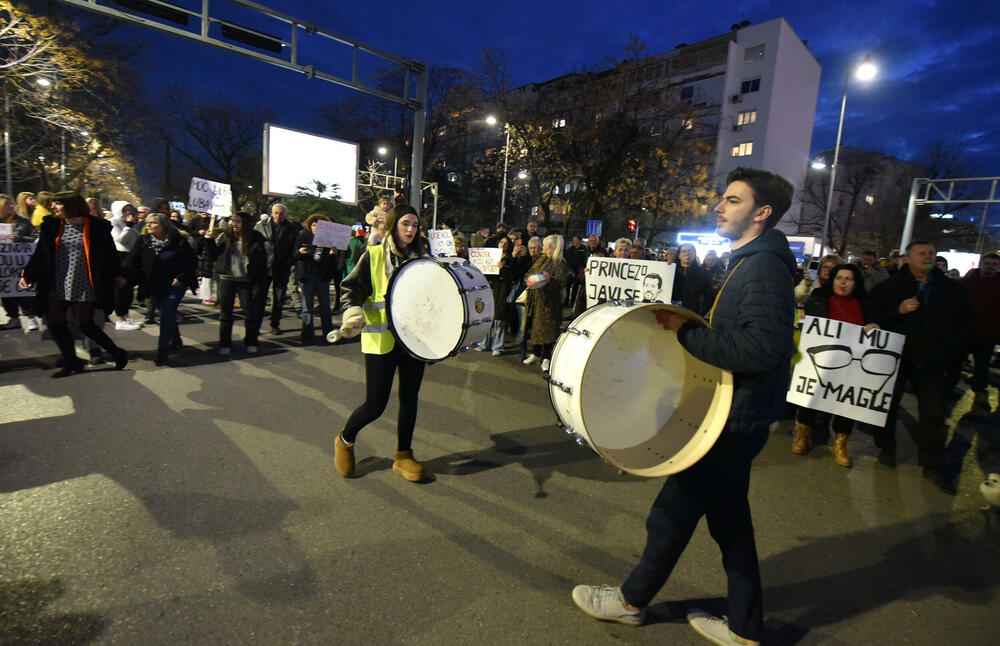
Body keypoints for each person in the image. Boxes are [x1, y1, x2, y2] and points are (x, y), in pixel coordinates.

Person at [572, 167, 797, 646]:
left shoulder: (761, 267)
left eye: (733, 201)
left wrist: (687, 334)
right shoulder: (749, 260)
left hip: (733, 421)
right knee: (730, 521)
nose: (719, 206)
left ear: (761, 213)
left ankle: (631, 602)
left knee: (671, 515)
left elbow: (761, 350)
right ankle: (745, 627)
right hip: (737, 415)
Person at [329, 204, 430, 482]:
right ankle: (345, 439)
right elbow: (350, 289)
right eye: (405, 224)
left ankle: (404, 456)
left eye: (415, 225)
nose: (411, 230)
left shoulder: (424, 260)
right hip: (381, 340)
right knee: (375, 404)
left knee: (410, 399)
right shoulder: (373, 255)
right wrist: (353, 313)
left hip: (414, 342)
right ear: (395, 224)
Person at [871, 241, 974, 493]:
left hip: (933, 361)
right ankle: (887, 446)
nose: (927, 257)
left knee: (933, 412)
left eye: (931, 253)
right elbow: (875, 316)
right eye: (921, 253)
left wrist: (953, 353)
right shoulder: (890, 287)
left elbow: (965, 323)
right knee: (888, 406)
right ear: (907, 259)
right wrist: (898, 310)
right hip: (897, 357)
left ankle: (931, 462)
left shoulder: (951, 290)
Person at [19, 192, 129, 377]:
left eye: (57, 204)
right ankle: (72, 362)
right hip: (57, 280)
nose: (53, 207)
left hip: (84, 282)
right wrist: (28, 274)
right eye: (53, 204)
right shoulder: (52, 226)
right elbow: (41, 254)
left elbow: (109, 254)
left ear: (71, 205)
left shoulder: (97, 227)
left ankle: (117, 352)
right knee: (55, 321)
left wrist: (117, 274)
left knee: (85, 323)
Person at [793, 264, 880, 467]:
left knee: (846, 404)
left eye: (848, 279)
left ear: (855, 282)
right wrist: (802, 319)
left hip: (851, 363)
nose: (843, 282)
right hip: (821, 361)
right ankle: (803, 435)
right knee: (811, 397)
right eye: (839, 278)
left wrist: (874, 326)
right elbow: (802, 317)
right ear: (832, 280)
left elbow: (876, 322)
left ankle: (841, 443)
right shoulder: (819, 297)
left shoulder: (865, 303)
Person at [125, 213, 198, 366]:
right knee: (167, 313)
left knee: (165, 313)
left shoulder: (179, 241)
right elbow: (131, 260)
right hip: (154, 285)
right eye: (148, 223)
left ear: (163, 225)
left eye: (153, 223)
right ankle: (176, 339)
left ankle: (162, 350)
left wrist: (182, 277)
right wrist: (121, 275)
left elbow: (191, 262)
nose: (149, 225)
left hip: (176, 285)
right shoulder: (144, 241)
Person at [208, 211, 267, 355]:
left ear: (245, 223)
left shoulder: (256, 238)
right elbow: (214, 255)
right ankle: (225, 344)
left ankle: (251, 341)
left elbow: (261, 261)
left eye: (238, 221)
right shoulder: (226, 236)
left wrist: (259, 282)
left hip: (246, 280)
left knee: (250, 313)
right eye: (233, 220)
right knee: (225, 314)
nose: (234, 224)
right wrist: (208, 240)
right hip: (227, 279)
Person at [523, 234, 567, 372]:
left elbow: (560, 282)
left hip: (549, 303)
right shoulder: (542, 259)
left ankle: (546, 357)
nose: (543, 247)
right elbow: (529, 273)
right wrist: (530, 280)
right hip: (536, 300)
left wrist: (548, 282)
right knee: (536, 328)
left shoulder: (559, 262)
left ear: (552, 247)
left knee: (548, 330)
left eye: (546, 245)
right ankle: (536, 354)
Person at [962, 253, 1000, 409]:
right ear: (981, 264)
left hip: (987, 332)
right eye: (988, 263)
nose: (990, 267)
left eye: (994, 264)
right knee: (956, 362)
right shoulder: (968, 283)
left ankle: (979, 392)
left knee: (982, 365)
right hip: (966, 330)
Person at [295, 214, 340, 344]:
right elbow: (294, 254)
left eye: (319, 225)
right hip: (307, 275)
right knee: (307, 307)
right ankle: (307, 334)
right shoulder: (303, 235)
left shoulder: (329, 238)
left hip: (322, 276)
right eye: (314, 225)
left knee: (325, 306)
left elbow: (334, 261)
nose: (316, 228)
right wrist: (300, 252)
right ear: (310, 226)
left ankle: (328, 332)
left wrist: (332, 254)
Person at [255, 203, 298, 335]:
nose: (278, 216)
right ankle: (255, 326)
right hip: (264, 267)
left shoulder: (291, 228)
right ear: (272, 213)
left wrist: (290, 262)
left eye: (281, 213)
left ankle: (275, 324)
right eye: (276, 213)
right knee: (260, 298)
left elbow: (295, 248)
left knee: (279, 299)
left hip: (282, 267)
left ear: (285, 215)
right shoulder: (261, 226)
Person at [0, 194, 38, 331]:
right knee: (6, 290)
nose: (12, 206)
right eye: (7, 204)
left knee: (23, 289)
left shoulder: (22, 221)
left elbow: (35, 237)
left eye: (11, 203)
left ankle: (31, 317)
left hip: (20, 264)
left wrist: (20, 237)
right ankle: (13, 318)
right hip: (3, 267)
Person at [108, 201, 143, 330]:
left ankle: (126, 317)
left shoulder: (129, 223)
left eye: (130, 210)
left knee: (128, 290)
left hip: (130, 257)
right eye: (125, 210)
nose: (128, 213)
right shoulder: (114, 222)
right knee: (121, 289)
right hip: (120, 257)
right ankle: (119, 319)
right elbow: (120, 239)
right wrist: (128, 226)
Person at [482, 236, 514, 356]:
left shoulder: (511, 260)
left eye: (506, 243)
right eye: (501, 242)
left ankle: (498, 346)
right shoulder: (490, 257)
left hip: (502, 291)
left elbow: (510, 277)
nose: (504, 244)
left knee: (499, 320)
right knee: (486, 317)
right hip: (490, 289)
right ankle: (483, 343)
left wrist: (502, 269)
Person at [672, 243, 715, 316]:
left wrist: (700, 314)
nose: (687, 253)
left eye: (690, 251)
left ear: (695, 254)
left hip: (692, 315)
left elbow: (709, 297)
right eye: (684, 251)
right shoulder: (671, 272)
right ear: (679, 255)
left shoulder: (703, 273)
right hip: (670, 313)